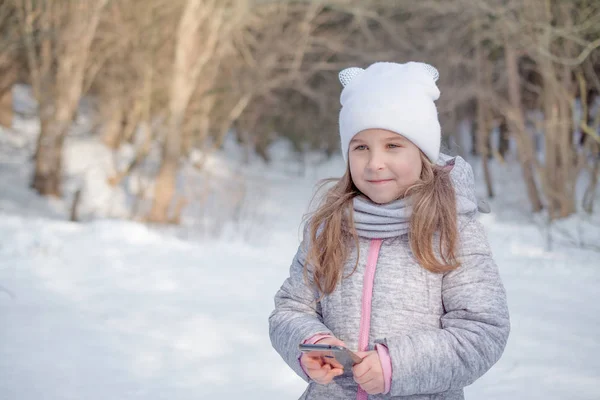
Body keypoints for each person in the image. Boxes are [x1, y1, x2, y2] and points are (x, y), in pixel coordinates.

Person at [268, 61, 510, 400]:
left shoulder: (453, 229)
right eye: (361, 147)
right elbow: (292, 309)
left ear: (422, 152)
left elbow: (482, 331)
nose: (374, 162)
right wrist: (312, 345)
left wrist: (397, 364)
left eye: (393, 145)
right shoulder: (329, 227)